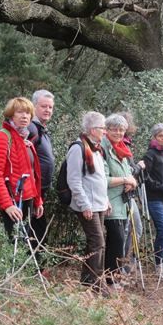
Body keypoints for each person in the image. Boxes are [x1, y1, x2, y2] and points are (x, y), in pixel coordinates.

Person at [0, 97, 44, 254]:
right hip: (12, 201)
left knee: (23, 244)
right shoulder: (2, 137)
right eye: (20, 112)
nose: (24, 116)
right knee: (13, 244)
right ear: (11, 115)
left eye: (28, 113)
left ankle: (21, 278)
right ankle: (8, 278)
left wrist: (38, 200)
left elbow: (33, 175)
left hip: (26, 200)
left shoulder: (26, 141)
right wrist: (7, 205)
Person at [67, 111, 110, 288]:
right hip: (87, 205)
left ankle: (87, 282)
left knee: (98, 242)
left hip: (99, 204)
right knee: (97, 242)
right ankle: (95, 283)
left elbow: (100, 178)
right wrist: (84, 204)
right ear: (92, 130)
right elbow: (74, 180)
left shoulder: (96, 149)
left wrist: (106, 200)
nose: (105, 131)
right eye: (102, 128)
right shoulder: (78, 148)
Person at [102, 114, 137, 285]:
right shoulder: (103, 148)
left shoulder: (121, 148)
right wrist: (125, 180)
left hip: (122, 202)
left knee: (119, 240)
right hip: (109, 201)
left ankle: (114, 277)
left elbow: (128, 172)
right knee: (116, 239)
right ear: (106, 130)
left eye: (121, 129)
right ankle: (110, 280)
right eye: (114, 129)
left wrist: (131, 181)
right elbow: (103, 178)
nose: (118, 132)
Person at [142, 123, 163, 278]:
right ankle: (158, 266)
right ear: (154, 137)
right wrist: (158, 186)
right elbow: (145, 176)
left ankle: (161, 263)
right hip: (155, 198)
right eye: (160, 135)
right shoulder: (150, 154)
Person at [118, 112, 144, 273]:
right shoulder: (116, 145)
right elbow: (128, 170)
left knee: (136, 229)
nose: (121, 130)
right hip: (121, 194)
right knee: (126, 230)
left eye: (124, 126)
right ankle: (120, 266)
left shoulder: (126, 144)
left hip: (129, 193)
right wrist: (139, 167)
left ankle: (128, 263)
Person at [28, 89, 55, 200]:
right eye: (44, 106)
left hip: (40, 189)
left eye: (50, 107)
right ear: (33, 107)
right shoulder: (31, 128)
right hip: (31, 189)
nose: (47, 110)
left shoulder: (41, 129)